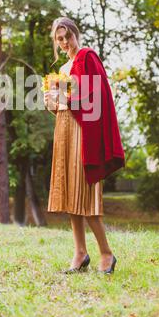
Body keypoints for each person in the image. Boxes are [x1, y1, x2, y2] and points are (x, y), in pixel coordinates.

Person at [44, 17, 125, 274]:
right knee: (70, 195)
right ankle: (80, 253)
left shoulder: (87, 57)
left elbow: (95, 96)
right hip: (64, 132)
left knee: (85, 196)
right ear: (56, 42)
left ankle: (106, 253)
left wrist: (64, 98)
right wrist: (52, 103)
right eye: (60, 39)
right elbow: (63, 107)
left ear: (76, 34)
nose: (65, 42)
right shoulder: (64, 67)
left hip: (82, 134)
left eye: (68, 36)